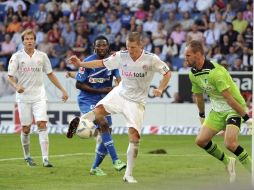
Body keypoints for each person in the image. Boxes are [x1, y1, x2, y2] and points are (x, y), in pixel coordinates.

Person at [67, 32, 171, 183]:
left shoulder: (151, 58)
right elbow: (101, 63)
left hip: (136, 102)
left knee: (134, 138)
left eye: (133, 47)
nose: (130, 50)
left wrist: (160, 89)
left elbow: (167, 73)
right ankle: (80, 122)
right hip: (120, 93)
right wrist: (81, 64)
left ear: (141, 45)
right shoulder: (122, 55)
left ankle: (128, 175)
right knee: (98, 112)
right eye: (128, 47)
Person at [185, 40, 251, 183]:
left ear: (198, 54)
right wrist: (202, 115)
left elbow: (229, 99)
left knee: (230, 143)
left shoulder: (216, 72)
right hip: (217, 111)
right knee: (201, 141)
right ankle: (228, 162)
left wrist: (246, 118)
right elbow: (199, 96)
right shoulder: (193, 74)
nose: (186, 58)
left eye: (188, 55)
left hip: (234, 108)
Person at [7, 29, 68, 167]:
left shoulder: (42, 56)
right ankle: (27, 156)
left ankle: (45, 159)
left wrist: (63, 89)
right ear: (23, 41)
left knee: (42, 124)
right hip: (23, 97)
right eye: (26, 39)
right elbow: (9, 77)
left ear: (35, 40)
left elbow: (50, 74)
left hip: (39, 96)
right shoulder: (16, 57)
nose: (29, 41)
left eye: (31, 38)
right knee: (26, 128)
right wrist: (16, 87)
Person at [66, 35, 125, 176]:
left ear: (108, 46)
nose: (101, 48)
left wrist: (119, 86)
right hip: (88, 99)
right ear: (94, 47)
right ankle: (116, 160)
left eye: (104, 45)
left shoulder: (112, 62)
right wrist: (101, 90)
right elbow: (79, 84)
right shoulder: (87, 62)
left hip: (105, 100)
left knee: (107, 134)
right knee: (103, 123)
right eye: (99, 45)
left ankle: (94, 168)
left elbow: (119, 80)